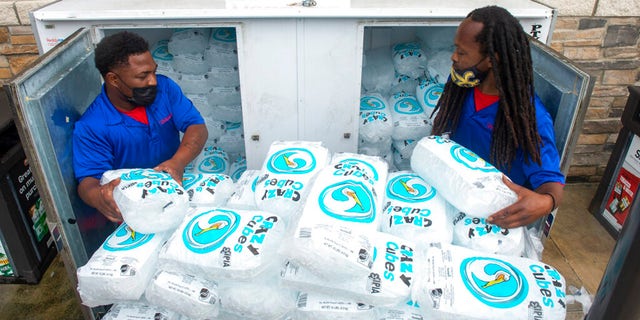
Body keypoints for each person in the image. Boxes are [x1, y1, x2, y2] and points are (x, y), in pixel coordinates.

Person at [430, 6, 564, 229]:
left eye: (462, 52)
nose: (454, 57)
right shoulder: (463, 87)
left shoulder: (529, 117)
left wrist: (545, 202)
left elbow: (551, 184)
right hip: (453, 198)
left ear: (493, 59)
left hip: (489, 220)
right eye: (456, 49)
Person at [73, 31, 208, 223]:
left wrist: (177, 162)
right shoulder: (92, 126)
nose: (153, 81)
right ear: (113, 79)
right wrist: (100, 197)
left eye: (153, 71)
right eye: (143, 76)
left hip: (176, 191)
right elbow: (88, 181)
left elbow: (196, 126)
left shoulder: (165, 89)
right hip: (136, 213)